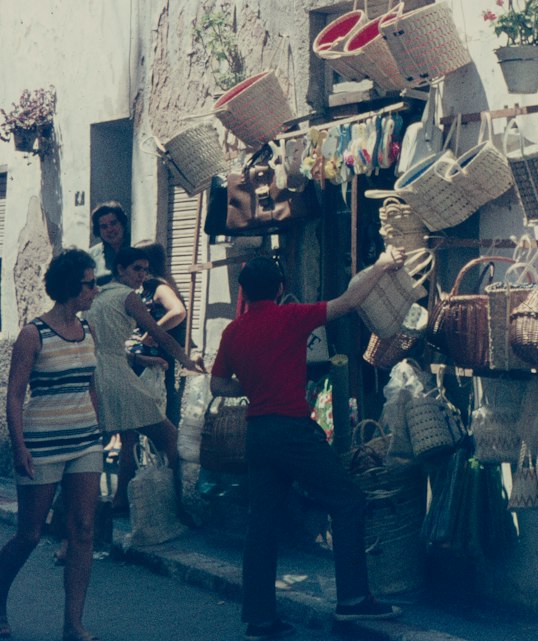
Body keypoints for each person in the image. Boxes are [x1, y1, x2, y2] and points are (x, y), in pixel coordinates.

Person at [210, 251, 406, 637]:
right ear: (281, 289)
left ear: (243, 291)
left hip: (258, 433)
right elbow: (350, 301)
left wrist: (249, 388)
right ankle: (352, 599)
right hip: (292, 430)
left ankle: (260, 619)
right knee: (348, 499)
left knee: (261, 525)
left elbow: (218, 386)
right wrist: (382, 266)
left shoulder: (232, 331)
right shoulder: (291, 316)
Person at [0, 249, 103, 641]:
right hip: (42, 444)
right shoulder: (33, 334)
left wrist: (100, 427)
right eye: (90, 283)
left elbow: (90, 383)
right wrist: (18, 447)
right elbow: (14, 396)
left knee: (83, 529)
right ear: (69, 287)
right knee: (30, 533)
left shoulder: (88, 330)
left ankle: (72, 624)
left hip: (84, 442)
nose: (95, 290)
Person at [87, 247, 204, 516]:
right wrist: (186, 361)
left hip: (97, 372)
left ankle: (119, 501)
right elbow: (158, 334)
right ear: (121, 270)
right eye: (136, 269)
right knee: (170, 436)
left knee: (125, 438)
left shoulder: (99, 296)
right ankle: (173, 504)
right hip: (117, 374)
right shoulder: (128, 296)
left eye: (145, 269)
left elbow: (102, 342)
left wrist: (144, 360)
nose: (142, 275)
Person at [130, 241, 188, 426]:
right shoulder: (144, 288)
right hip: (144, 363)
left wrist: (152, 332)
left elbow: (178, 312)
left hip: (157, 364)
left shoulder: (159, 288)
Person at [88, 202, 129, 288]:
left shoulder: (137, 248)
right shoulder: (91, 255)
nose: (110, 229)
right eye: (104, 226)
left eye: (113, 223)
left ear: (122, 223)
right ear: (98, 230)